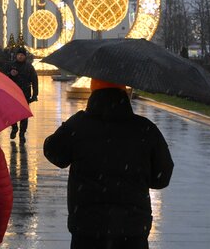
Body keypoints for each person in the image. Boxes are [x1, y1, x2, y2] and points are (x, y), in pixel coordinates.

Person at [43, 79, 174, 249]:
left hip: (87, 227)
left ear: (93, 91)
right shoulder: (145, 129)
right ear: (124, 92)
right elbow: (162, 178)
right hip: (132, 229)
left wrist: (69, 126)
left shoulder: (79, 125)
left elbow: (54, 153)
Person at [3, 47, 38, 143]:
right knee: (11, 113)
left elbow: (34, 80)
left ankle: (22, 133)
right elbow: (4, 77)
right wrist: (10, 74)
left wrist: (35, 94)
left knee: (24, 115)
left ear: (25, 56)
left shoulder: (29, 67)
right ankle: (14, 128)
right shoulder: (11, 65)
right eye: (19, 55)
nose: (20, 56)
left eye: (22, 55)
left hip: (25, 93)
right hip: (13, 93)